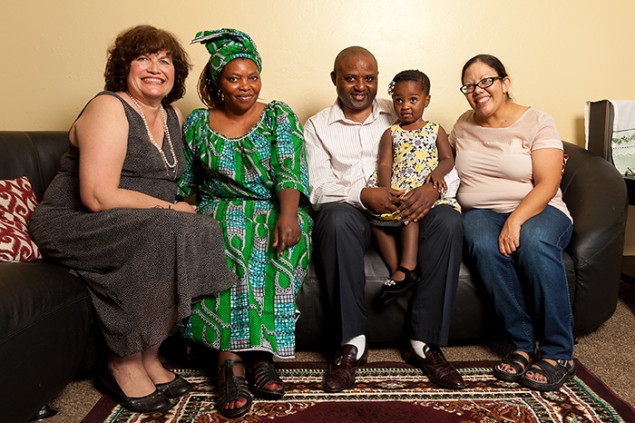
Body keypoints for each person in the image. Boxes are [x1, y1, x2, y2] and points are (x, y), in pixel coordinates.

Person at [28, 25, 236, 414]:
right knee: (171, 227)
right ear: (124, 67)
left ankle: (149, 355)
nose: (155, 68)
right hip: (75, 220)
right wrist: (172, 210)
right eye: (143, 58)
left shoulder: (172, 114)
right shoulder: (109, 106)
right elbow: (97, 195)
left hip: (139, 221)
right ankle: (121, 361)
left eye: (165, 60)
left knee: (202, 228)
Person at [304, 46, 465, 392]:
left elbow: (446, 163)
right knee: (334, 221)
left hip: (412, 202)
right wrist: (364, 195)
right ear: (335, 79)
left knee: (449, 223)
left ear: (380, 81)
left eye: (369, 78)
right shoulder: (317, 126)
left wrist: (432, 191)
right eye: (350, 78)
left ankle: (424, 343)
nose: (360, 86)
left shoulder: (402, 109)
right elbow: (318, 188)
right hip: (353, 210)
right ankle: (351, 343)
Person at [178, 29, 313, 418]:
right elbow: (187, 183)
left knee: (262, 238)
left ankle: (259, 356)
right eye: (234, 78)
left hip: (274, 206)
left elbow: (290, 170)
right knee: (226, 237)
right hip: (217, 207)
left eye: (252, 77)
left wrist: (289, 215)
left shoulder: (278, 115)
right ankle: (231, 362)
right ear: (217, 82)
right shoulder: (198, 123)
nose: (245, 86)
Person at [449, 54, 575, 391]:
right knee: (478, 240)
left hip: (539, 209)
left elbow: (548, 183)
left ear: (505, 83)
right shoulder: (462, 124)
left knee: (533, 241)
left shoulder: (537, 121)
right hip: (482, 213)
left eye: (486, 81)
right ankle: (522, 343)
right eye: (470, 86)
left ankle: (558, 352)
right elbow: (445, 165)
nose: (478, 90)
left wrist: (516, 219)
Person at [367, 70, 461, 305]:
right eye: (398, 100)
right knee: (376, 220)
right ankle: (397, 269)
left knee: (410, 214)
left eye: (413, 99)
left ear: (426, 101)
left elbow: (447, 159)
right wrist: (386, 190)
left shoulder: (435, 130)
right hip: (398, 187)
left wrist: (437, 175)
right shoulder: (391, 133)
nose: (405, 106)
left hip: (421, 187)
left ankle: (408, 266)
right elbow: (385, 163)